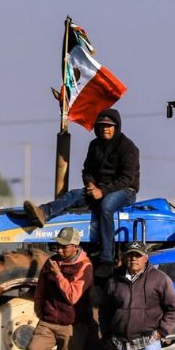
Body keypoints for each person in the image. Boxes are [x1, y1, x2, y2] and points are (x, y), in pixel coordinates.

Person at [24, 108, 139, 273]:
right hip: (99, 188)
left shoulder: (128, 147)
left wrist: (103, 191)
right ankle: (43, 213)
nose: (105, 128)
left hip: (124, 191)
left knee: (106, 207)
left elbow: (126, 178)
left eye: (109, 125)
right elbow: (87, 170)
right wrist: (91, 184)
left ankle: (107, 258)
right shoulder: (95, 145)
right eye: (101, 125)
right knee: (73, 195)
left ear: (116, 127)